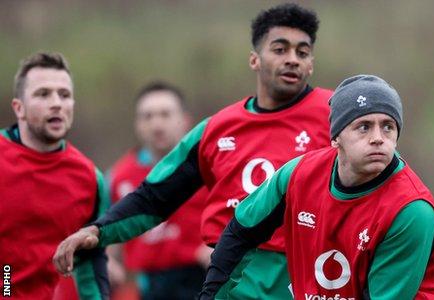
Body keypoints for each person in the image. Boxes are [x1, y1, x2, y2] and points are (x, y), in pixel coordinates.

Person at [53, 3, 332, 299]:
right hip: (227, 284)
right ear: (254, 59)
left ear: (311, 63)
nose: (292, 60)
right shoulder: (217, 129)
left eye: (302, 53)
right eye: (280, 49)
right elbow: (155, 196)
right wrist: (98, 231)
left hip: (302, 278)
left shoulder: (334, 115)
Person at [199, 75, 434, 299]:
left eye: (388, 127)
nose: (378, 138)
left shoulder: (411, 210)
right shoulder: (298, 175)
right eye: (364, 127)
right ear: (335, 137)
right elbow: (241, 233)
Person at [0, 52, 110, 299]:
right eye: (43, 94)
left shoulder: (89, 178)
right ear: (19, 108)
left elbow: (91, 262)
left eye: (64, 95)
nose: (57, 103)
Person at [107, 82, 210, 299]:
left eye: (165, 114)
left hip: (206, 278)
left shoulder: (209, 166)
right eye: (148, 116)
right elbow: (110, 236)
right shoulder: (118, 176)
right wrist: (107, 264)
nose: (157, 124)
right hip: (151, 285)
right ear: (137, 123)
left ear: (185, 120)